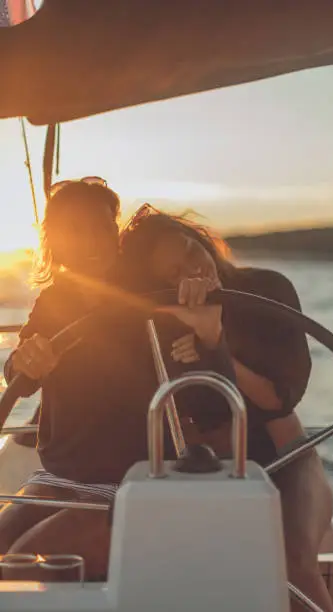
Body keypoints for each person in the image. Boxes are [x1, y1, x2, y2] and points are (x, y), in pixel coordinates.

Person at [0, 182, 235, 581]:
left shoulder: (156, 298)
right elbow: (18, 374)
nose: (90, 238)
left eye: (100, 225)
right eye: (74, 228)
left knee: (16, 569)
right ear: (54, 241)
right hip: (59, 477)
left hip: (136, 483)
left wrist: (208, 329)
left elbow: (212, 406)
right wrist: (24, 362)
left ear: (114, 230)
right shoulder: (53, 303)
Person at [119, 204, 333, 612]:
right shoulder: (158, 324)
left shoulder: (270, 289)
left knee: (292, 562)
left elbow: (277, 400)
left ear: (199, 237)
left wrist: (214, 338)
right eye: (172, 273)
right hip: (208, 468)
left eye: (189, 249)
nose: (193, 270)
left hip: (288, 457)